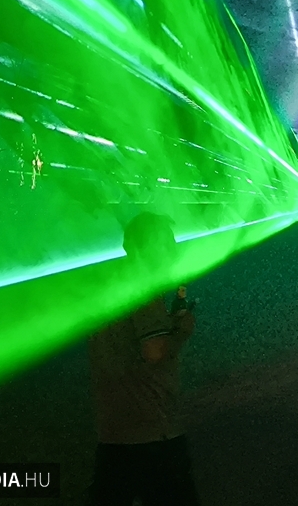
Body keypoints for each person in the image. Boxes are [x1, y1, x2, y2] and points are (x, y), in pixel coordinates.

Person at [88, 213, 200, 506]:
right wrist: (182, 331)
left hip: (113, 430)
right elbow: (155, 351)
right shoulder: (144, 289)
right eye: (167, 243)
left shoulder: (107, 288)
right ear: (147, 247)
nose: (173, 250)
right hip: (152, 432)